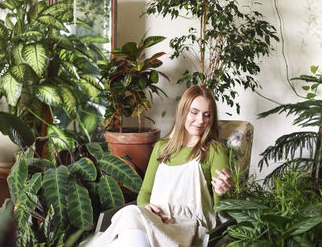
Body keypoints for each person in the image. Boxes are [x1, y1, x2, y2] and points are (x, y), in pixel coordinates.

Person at [87, 85, 234, 247]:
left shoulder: (214, 150)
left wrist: (221, 193)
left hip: (187, 228)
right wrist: (146, 208)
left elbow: (223, 213)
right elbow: (144, 194)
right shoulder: (161, 147)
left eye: (207, 115)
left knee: (128, 224)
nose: (200, 120)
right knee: (131, 214)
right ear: (182, 111)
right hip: (156, 220)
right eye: (194, 112)